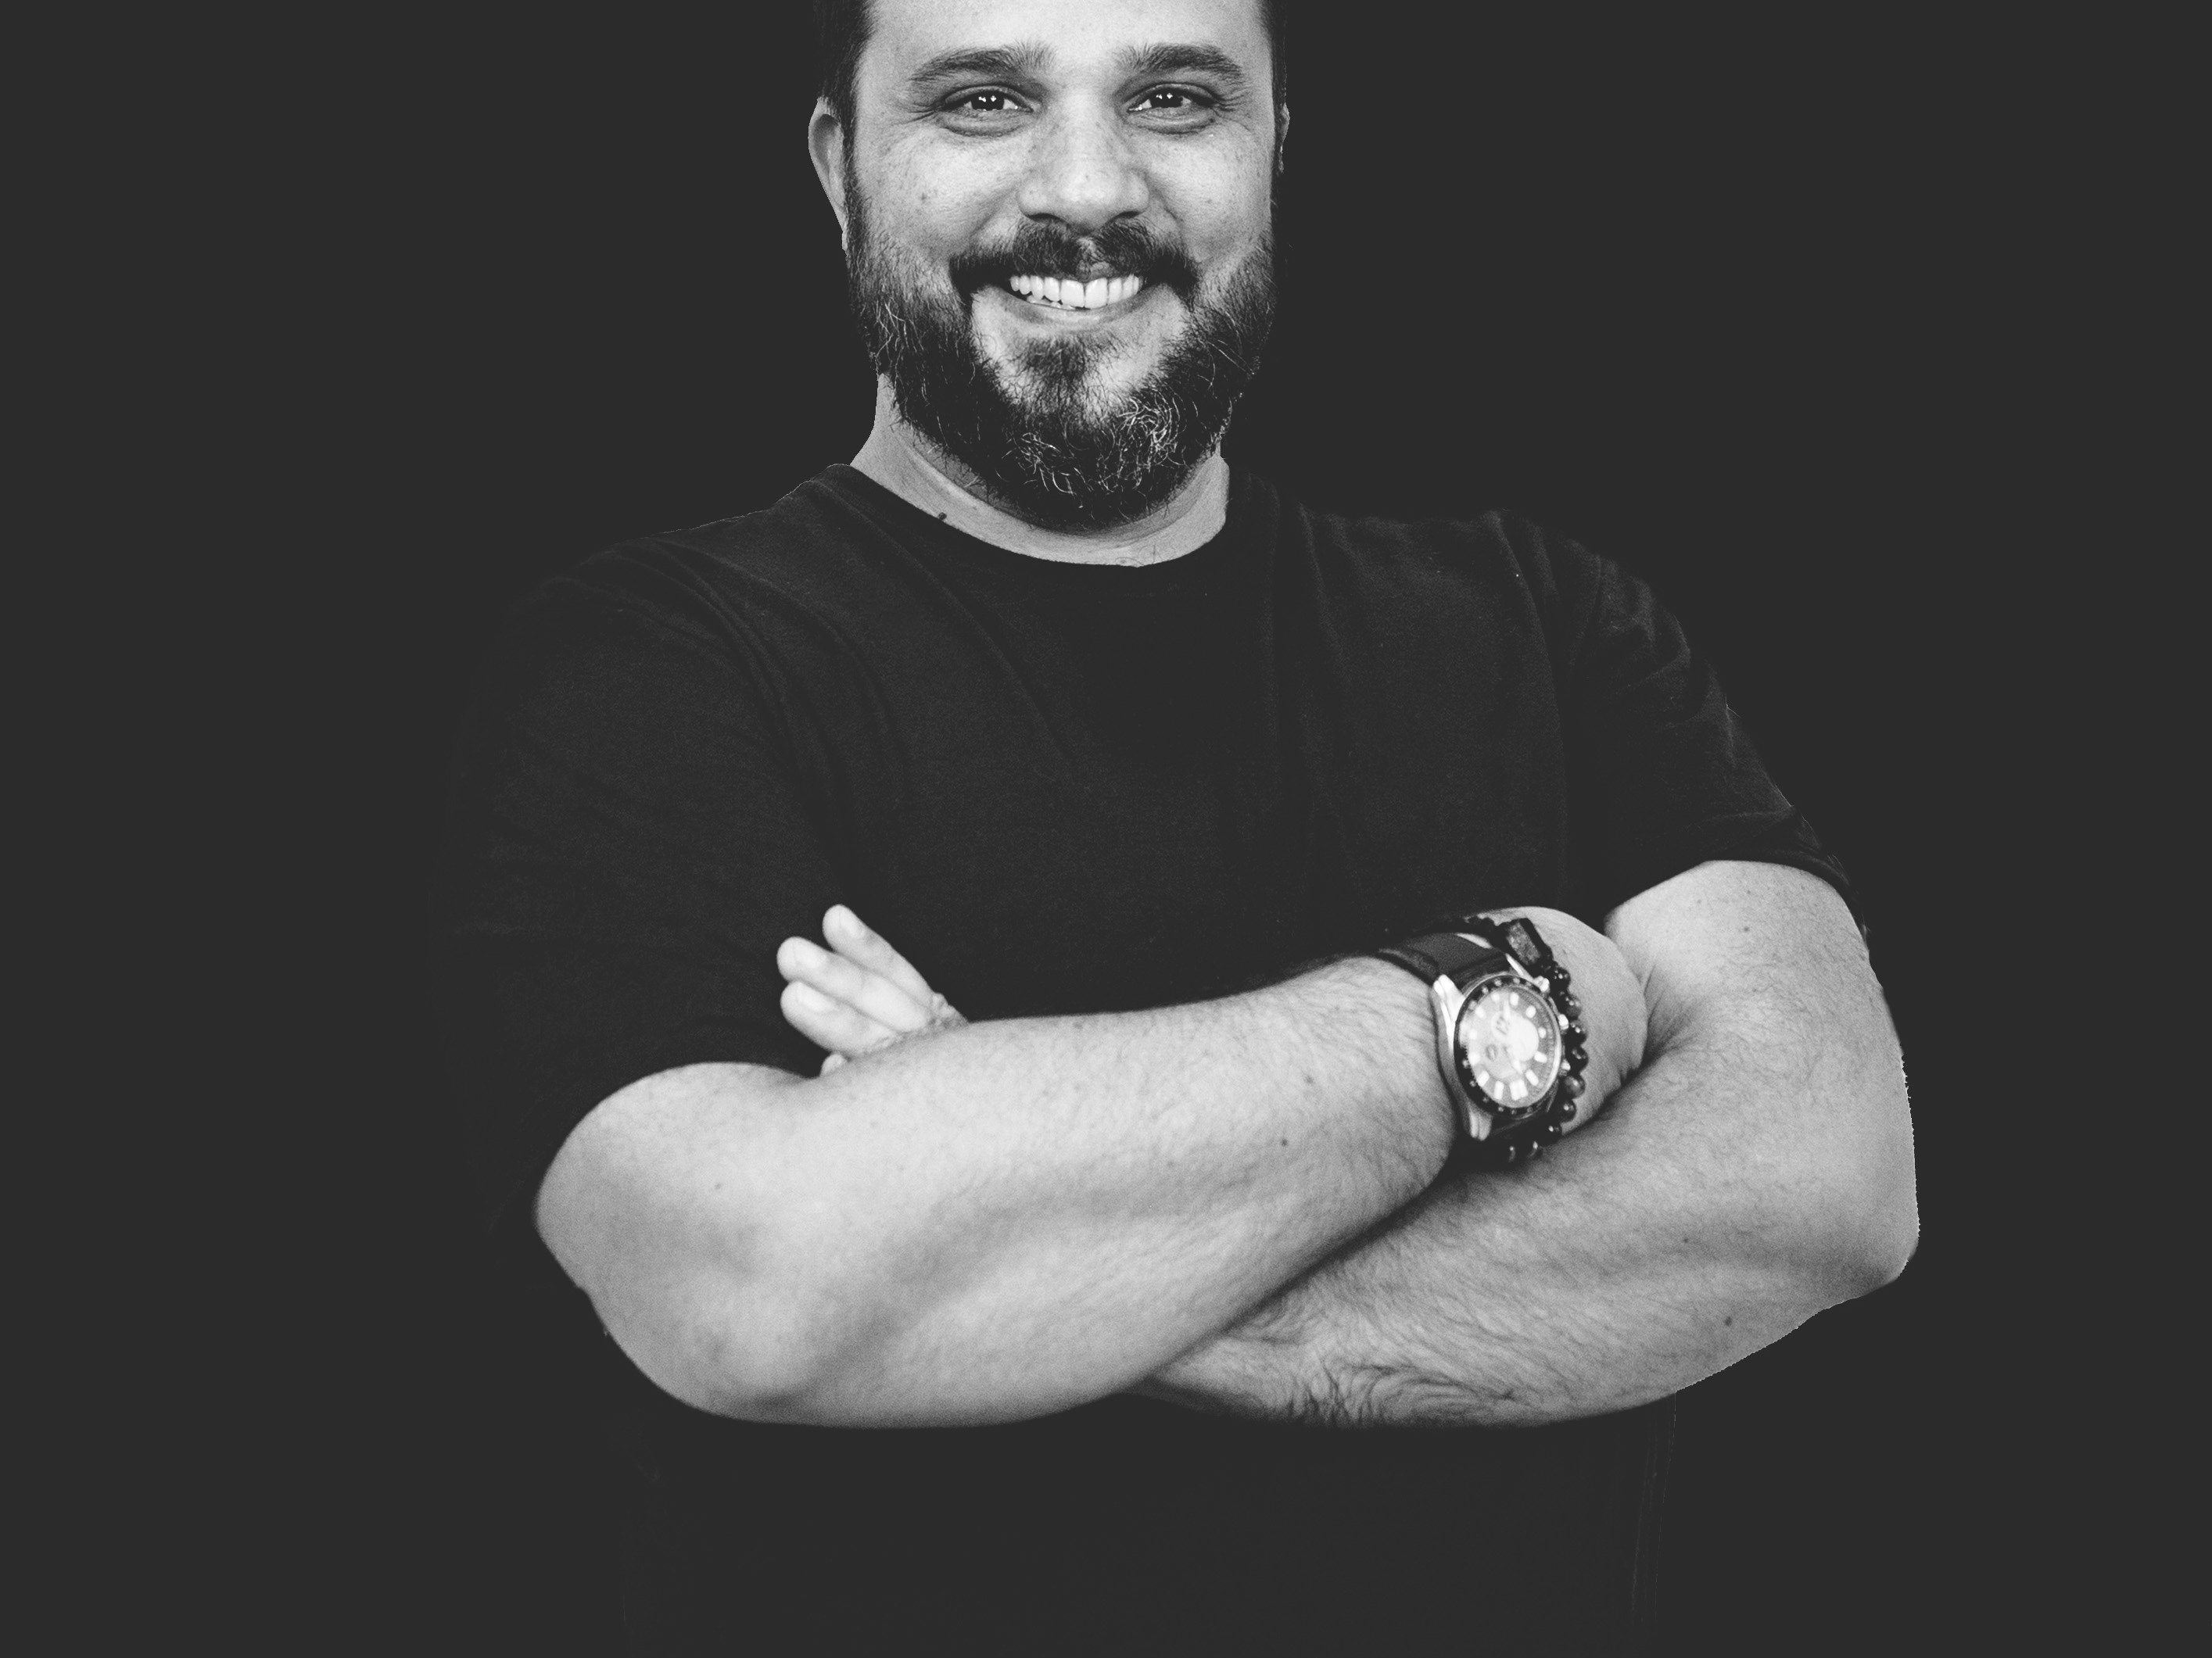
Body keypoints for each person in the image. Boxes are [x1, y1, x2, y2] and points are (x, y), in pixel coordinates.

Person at [435, 0, 1919, 1649]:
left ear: (1271, 151)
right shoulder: (647, 669)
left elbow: (1824, 1180)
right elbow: (755, 1289)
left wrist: (1027, 1264)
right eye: (982, 99)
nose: (1086, 186)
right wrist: (1504, 999)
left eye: (1174, 97)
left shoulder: (1545, 627)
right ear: (838, 166)